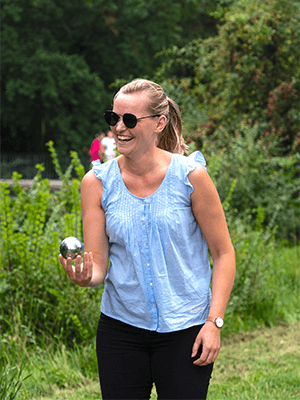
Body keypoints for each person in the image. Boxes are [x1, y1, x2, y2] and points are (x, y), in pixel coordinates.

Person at [59, 78, 236, 400]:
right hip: (121, 328)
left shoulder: (191, 177)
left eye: (129, 120)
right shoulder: (96, 183)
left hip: (186, 329)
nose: (119, 128)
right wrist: (85, 276)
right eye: (113, 119)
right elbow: (99, 264)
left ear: (159, 123)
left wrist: (214, 322)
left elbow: (224, 253)